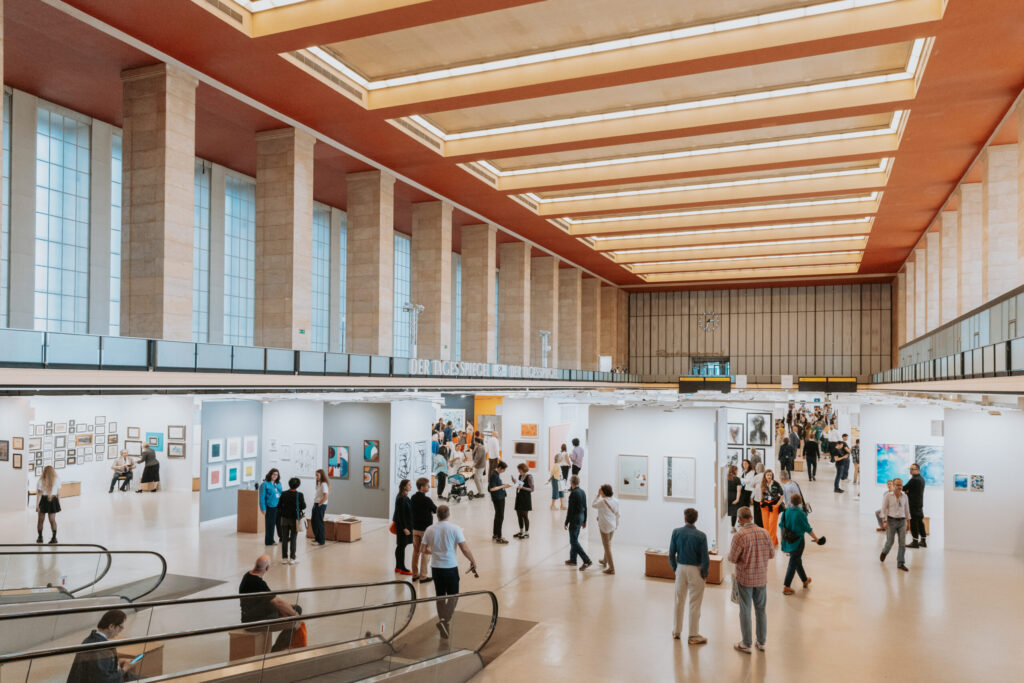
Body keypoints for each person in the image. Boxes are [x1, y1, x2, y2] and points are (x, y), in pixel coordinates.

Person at [421, 505, 477, 639]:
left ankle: (443, 622)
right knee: (453, 595)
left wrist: (434, 552)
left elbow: (422, 549)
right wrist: (473, 561)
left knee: (440, 596)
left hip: (436, 567)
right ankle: (446, 620)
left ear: (437, 515)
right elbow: (464, 548)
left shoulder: (429, 529)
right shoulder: (455, 529)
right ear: (448, 514)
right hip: (450, 567)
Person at [729, 506, 775, 654]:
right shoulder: (765, 533)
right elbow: (772, 554)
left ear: (741, 519)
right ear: (751, 517)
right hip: (761, 578)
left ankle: (746, 643)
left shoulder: (739, 536)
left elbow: (732, 558)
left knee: (745, 610)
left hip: (745, 579)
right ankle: (761, 642)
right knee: (761, 610)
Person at [238, 555, 301, 651]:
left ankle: (280, 647)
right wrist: (295, 615)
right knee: (294, 623)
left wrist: (291, 609)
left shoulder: (247, 576)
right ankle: (276, 649)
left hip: (260, 613)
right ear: (267, 568)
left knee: (296, 608)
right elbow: (277, 602)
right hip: (256, 621)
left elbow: (275, 600)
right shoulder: (258, 583)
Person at [668, 508, 709, 645]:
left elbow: (671, 554)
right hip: (695, 570)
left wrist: (676, 569)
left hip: (681, 567)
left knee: (679, 600)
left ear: (685, 518)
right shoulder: (701, 536)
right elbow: (705, 558)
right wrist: (704, 574)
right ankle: (693, 635)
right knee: (694, 603)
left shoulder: (676, 532)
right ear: (696, 519)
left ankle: (676, 631)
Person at [66, 609, 135, 683]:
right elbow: (105, 680)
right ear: (111, 626)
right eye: (120, 627)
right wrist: (124, 669)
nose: (121, 630)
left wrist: (117, 663)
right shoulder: (102, 648)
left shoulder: (89, 640)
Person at [779, 493, 820, 595]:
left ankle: (805, 580)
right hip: (798, 542)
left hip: (788, 540)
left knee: (797, 560)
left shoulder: (786, 511)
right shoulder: (801, 513)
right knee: (793, 562)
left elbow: (781, 526)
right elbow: (808, 529)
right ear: (800, 502)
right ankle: (787, 587)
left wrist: (782, 540)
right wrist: (816, 539)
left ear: (791, 501)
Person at [879, 478, 911, 571]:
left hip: (902, 522)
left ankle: (900, 563)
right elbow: (883, 509)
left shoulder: (905, 496)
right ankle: (884, 552)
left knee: (902, 543)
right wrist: (884, 521)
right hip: (891, 521)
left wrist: (908, 523)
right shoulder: (888, 496)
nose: (899, 487)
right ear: (893, 485)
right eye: (897, 485)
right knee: (890, 542)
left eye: (901, 485)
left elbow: (907, 510)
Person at [410, 477, 437, 582]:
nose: (429, 487)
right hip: (425, 530)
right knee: (425, 552)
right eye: (427, 485)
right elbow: (435, 510)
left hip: (415, 529)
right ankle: (423, 576)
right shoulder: (427, 500)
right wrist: (429, 512)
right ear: (422, 487)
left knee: (415, 552)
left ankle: (414, 575)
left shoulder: (413, 498)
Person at [563, 475, 592, 570]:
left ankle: (586, 560)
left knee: (573, 541)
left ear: (572, 482)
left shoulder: (573, 493)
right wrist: (585, 520)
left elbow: (570, 510)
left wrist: (566, 522)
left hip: (575, 518)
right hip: (581, 517)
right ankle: (573, 560)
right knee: (574, 538)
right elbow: (586, 507)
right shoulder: (582, 492)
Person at [592, 484, 620, 574]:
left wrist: (597, 495)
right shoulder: (616, 500)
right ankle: (605, 561)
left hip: (605, 526)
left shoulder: (602, 502)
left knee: (607, 547)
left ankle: (612, 569)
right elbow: (611, 512)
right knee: (608, 544)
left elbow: (593, 505)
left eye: (601, 491)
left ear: (603, 492)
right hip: (612, 525)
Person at [278, 477, 306, 565]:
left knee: (284, 539)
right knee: (293, 539)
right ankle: (292, 558)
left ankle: (284, 558)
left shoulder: (283, 493)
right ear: (298, 485)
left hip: (284, 519)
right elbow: (304, 506)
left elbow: (279, 505)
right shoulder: (299, 495)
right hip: (295, 520)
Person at [903, 463, 927, 548]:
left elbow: (904, 488)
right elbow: (909, 490)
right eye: (910, 469)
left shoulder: (914, 479)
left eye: (912, 469)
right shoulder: (921, 479)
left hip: (913, 504)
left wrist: (907, 491)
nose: (910, 470)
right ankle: (923, 541)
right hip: (919, 504)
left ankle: (915, 542)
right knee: (920, 522)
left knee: (914, 523)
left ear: (918, 470)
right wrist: (908, 491)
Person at [35, 465, 61, 544]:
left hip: (43, 500)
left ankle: (40, 538)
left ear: (45, 472)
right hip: (53, 500)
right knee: (52, 520)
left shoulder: (41, 480)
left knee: (40, 520)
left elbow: (39, 495)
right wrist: (58, 503)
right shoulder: (57, 480)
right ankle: (54, 538)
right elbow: (58, 494)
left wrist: (37, 505)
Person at [393, 479, 413, 575]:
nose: (410, 486)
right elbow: (400, 515)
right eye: (409, 485)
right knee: (401, 546)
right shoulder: (401, 498)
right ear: (404, 486)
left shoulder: (404, 497)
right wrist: (404, 528)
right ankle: (402, 568)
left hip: (404, 525)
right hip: (403, 526)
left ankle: (398, 567)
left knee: (401, 546)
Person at [759, 470, 784, 546]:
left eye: (770, 475)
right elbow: (761, 494)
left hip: (773, 506)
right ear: (765, 476)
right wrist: (761, 502)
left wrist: (777, 505)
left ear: (772, 475)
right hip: (765, 506)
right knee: (766, 525)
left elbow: (782, 496)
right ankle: (768, 542)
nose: (769, 476)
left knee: (772, 525)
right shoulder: (763, 484)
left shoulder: (776, 484)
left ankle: (772, 544)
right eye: (767, 475)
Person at [259, 469, 283, 546]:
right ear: (270, 474)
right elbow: (261, 497)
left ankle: (282, 537)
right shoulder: (265, 484)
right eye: (273, 474)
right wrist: (263, 508)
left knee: (280, 524)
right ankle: (269, 541)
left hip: (278, 507)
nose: (275, 476)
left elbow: (281, 494)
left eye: (276, 475)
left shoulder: (278, 484)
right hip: (270, 507)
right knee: (270, 525)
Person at [489, 461, 511, 544]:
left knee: (498, 516)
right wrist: (503, 486)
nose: (504, 471)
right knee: (500, 517)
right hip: (498, 498)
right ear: (500, 468)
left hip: (499, 497)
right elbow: (492, 488)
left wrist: (502, 484)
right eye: (503, 470)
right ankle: (499, 537)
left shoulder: (495, 474)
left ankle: (496, 534)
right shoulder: (494, 475)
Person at [513, 463, 535, 540]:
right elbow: (519, 485)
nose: (518, 471)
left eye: (519, 469)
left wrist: (522, 487)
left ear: (523, 469)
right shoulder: (520, 476)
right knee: (519, 515)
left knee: (525, 516)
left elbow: (532, 489)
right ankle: (521, 531)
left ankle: (526, 532)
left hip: (526, 499)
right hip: (519, 497)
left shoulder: (529, 477)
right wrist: (515, 482)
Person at [311, 469, 329, 546]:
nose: (316, 477)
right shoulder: (319, 483)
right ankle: (317, 538)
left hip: (320, 505)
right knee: (313, 521)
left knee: (319, 522)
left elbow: (326, 496)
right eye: (316, 475)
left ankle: (321, 541)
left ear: (322, 475)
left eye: (317, 475)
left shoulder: (324, 484)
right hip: (316, 503)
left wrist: (320, 504)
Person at [750, 463, 765, 527]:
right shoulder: (765, 475)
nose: (755, 469)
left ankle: (757, 526)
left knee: (757, 514)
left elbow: (751, 485)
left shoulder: (756, 476)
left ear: (758, 468)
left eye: (756, 467)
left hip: (757, 497)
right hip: (764, 498)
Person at [727, 465, 741, 531]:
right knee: (734, 513)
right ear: (735, 470)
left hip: (727, 497)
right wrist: (737, 499)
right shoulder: (737, 479)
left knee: (726, 512)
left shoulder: (726, 478)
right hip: (734, 496)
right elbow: (738, 490)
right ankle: (732, 527)